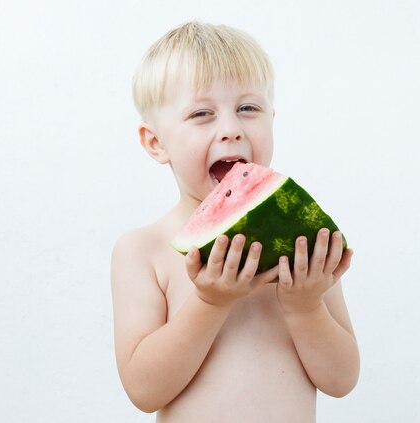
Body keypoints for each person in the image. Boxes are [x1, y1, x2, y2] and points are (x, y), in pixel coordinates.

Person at [111, 21, 359, 422]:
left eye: (248, 108)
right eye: (201, 113)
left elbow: (341, 380)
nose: (231, 129)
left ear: (272, 118)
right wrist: (211, 302)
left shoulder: (303, 245)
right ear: (156, 142)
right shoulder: (143, 250)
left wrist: (306, 306)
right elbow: (144, 390)